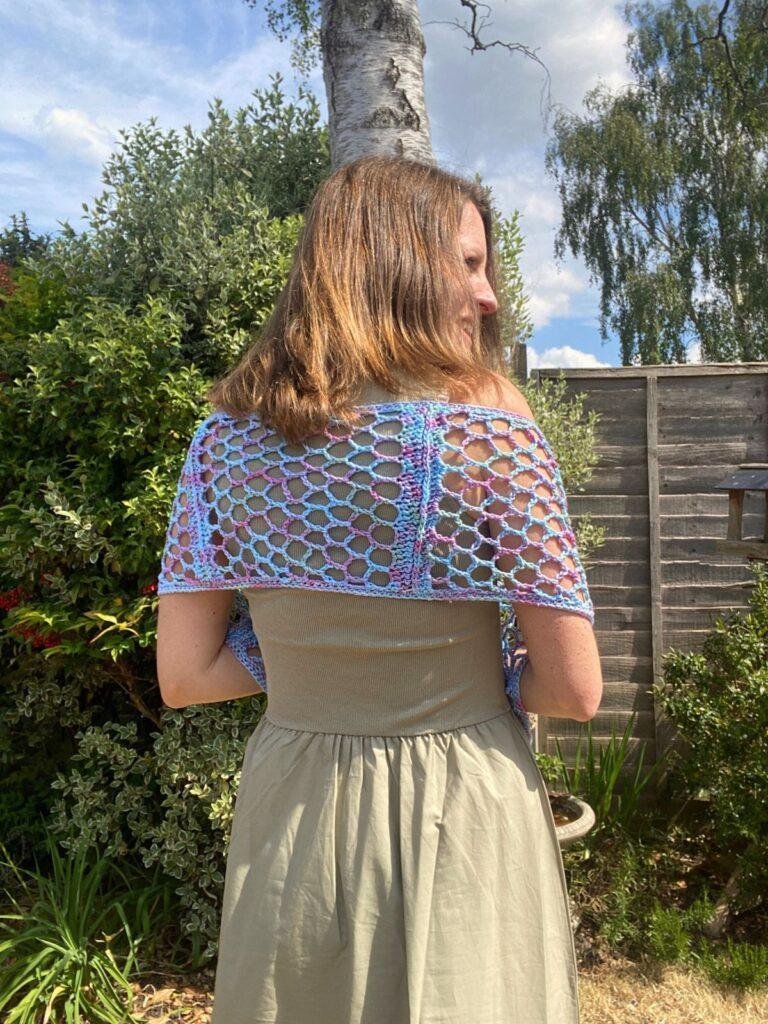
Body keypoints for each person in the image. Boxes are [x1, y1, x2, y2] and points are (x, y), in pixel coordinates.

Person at [156, 154, 603, 1024]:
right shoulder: (489, 419)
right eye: (469, 265)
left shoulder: (224, 439)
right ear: (397, 260)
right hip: (460, 805)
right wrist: (489, 671)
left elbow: (185, 675)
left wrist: (308, 655)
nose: (489, 297)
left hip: (294, 815)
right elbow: (575, 689)